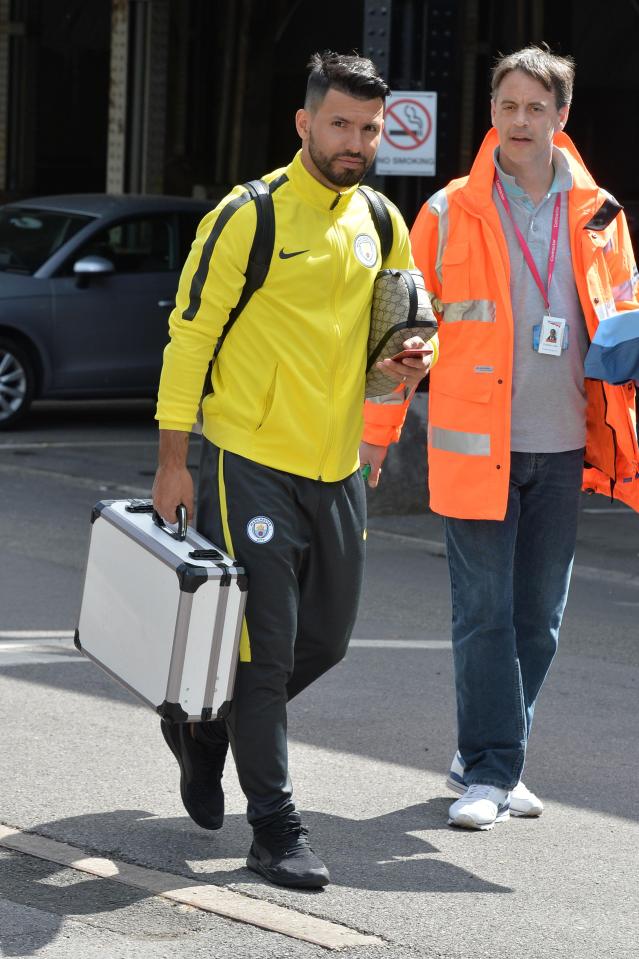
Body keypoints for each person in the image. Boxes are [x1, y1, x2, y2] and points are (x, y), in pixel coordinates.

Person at [153, 51, 435, 886]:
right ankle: (273, 825)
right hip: (251, 459)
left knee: (328, 639)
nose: (354, 141)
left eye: (368, 129)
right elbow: (189, 336)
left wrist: (409, 363)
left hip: (336, 464)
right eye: (339, 124)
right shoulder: (251, 216)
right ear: (304, 122)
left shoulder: (383, 220)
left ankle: (204, 732)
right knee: (266, 650)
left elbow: (390, 346)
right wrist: (175, 459)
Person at [410, 44, 639, 830]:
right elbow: (401, 338)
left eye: (535, 107)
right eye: (506, 106)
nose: (519, 120)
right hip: (477, 444)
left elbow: (622, 317)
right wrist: (372, 442)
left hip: (563, 441)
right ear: (491, 114)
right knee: (484, 611)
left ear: (561, 116)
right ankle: (491, 769)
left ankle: (490, 750)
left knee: (538, 613)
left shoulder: (601, 213)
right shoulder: (444, 212)